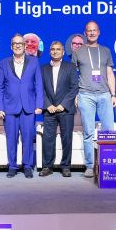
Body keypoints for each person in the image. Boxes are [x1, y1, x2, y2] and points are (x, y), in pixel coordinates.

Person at [72, 20, 116, 178]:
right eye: (89, 30)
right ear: (85, 33)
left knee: (108, 131)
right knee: (88, 132)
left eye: (94, 30)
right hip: (85, 95)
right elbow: (73, 76)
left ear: (99, 32)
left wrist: (113, 94)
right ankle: (90, 166)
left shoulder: (105, 51)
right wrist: (76, 94)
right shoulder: (78, 52)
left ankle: (108, 164)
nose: (91, 33)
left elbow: (110, 73)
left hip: (105, 94)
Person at [0, 34, 43, 178]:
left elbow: (39, 84)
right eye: (15, 44)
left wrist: (39, 105)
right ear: (11, 46)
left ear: (24, 46)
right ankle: (12, 166)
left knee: (28, 138)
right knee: (11, 139)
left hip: (29, 107)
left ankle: (27, 166)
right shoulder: (4, 63)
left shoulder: (34, 62)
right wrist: (0, 107)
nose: (17, 46)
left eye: (20, 44)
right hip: (9, 107)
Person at [39, 41, 79, 178]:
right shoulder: (43, 69)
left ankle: (66, 166)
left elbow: (74, 88)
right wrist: (47, 104)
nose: (55, 51)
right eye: (53, 49)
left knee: (66, 138)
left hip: (65, 109)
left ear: (63, 52)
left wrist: (63, 104)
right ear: (49, 51)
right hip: (49, 109)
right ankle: (47, 166)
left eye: (58, 49)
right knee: (48, 139)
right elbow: (40, 89)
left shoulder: (70, 67)